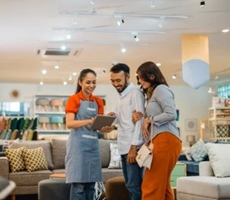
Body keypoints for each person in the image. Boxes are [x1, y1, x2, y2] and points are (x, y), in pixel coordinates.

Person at [135, 61, 182, 200]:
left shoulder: (161, 89)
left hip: (165, 139)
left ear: (151, 75)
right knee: (163, 186)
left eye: (141, 77)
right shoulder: (152, 93)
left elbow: (171, 114)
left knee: (151, 185)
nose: (139, 81)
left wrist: (149, 119)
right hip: (161, 140)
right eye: (138, 78)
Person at [103, 63, 145, 200]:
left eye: (118, 80)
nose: (115, 84)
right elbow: (121, 119)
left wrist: (134, 147)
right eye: (113, 81)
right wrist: (111, 122)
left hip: (133, 148)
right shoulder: (121, 96)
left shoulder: (136, 94)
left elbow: (139, 121)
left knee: (135, 187)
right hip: (123, 146)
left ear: (128, 77)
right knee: (129, 185)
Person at [65, 68, 105, 200]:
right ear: (80, 82)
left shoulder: (98, 101)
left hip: (93, 146)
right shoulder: (74, 99)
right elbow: (69, 123)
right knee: (79, 185)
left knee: (91, 185)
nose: (91, 86)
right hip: (78, 146)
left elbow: (98, 127)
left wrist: (107, 127)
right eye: (88, 82)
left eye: (94, 82)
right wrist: (89, 120)